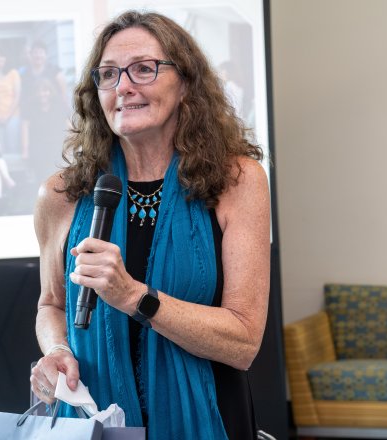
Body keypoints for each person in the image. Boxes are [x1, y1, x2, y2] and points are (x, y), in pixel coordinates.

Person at [30, 11, 270, 440]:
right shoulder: (61, 195)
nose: (124, 86)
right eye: (108, 74)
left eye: (144, 68)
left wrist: (134, 296)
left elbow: (243, 342)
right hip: (95, 421)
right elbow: (52, 305)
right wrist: (57, 350)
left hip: (211, 418)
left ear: (185, 83)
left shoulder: (237, 181)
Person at [20, 78, 67, 183]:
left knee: (57, 165)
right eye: (40, 91)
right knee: (41, 166)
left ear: (50, 92)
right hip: (37, 145)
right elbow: (25, 129)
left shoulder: (58, 107)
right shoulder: (30, 108)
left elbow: (69, 126)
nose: (43, 94)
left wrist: (71, 146)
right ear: (36, 93)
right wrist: (25, 151)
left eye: (45, 91)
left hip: (55, 144)